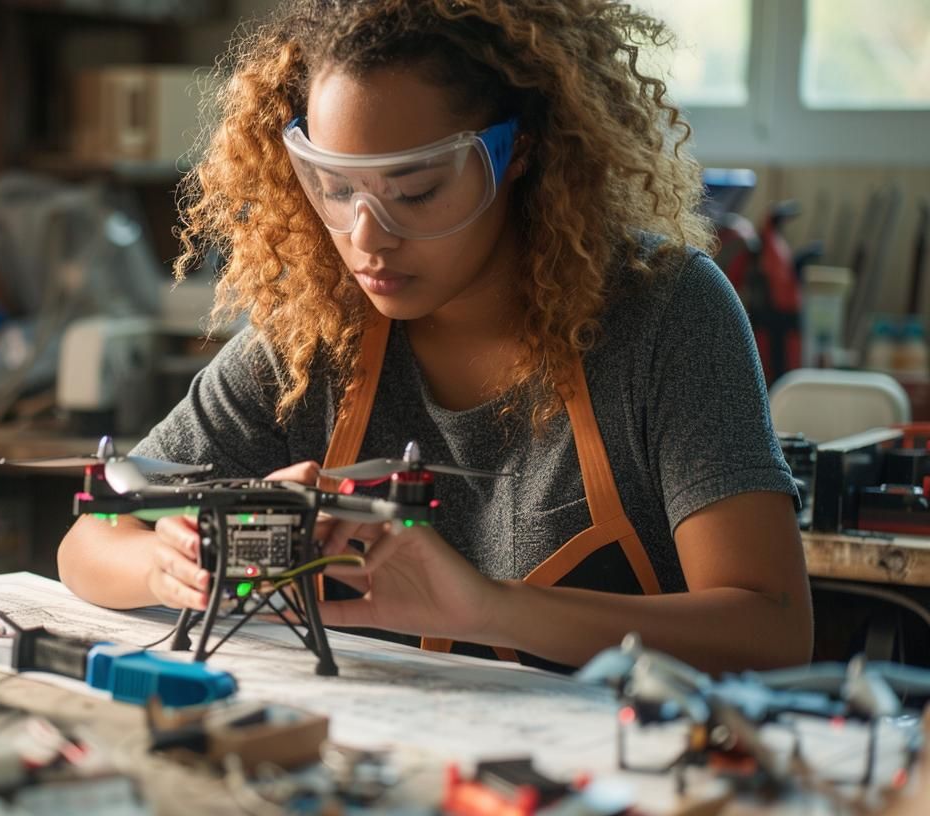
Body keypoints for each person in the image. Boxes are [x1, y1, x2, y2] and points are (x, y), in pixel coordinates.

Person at [57, 0, 811, 673]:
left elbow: (770, 629)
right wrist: (172, 563)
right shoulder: (313, 332)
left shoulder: (664, 314)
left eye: (415, 192)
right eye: (337, 185)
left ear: (517, 152)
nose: (367, 240)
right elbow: (88, 542)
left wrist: (483, 608)